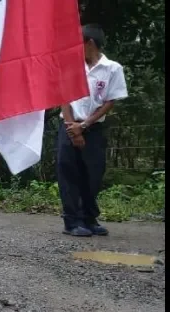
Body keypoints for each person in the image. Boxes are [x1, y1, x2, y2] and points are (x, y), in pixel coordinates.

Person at [58, 24, 128, 237]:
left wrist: (85, 125)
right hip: (69, 124)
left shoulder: (112, 68)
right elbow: (63, 97)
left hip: (94, 127)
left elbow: (110, 101)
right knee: (69, 172)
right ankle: (72, 221)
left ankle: (89, 217)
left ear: (89, 43)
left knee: (93, 174)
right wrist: (73, 129)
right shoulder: (70, 65)